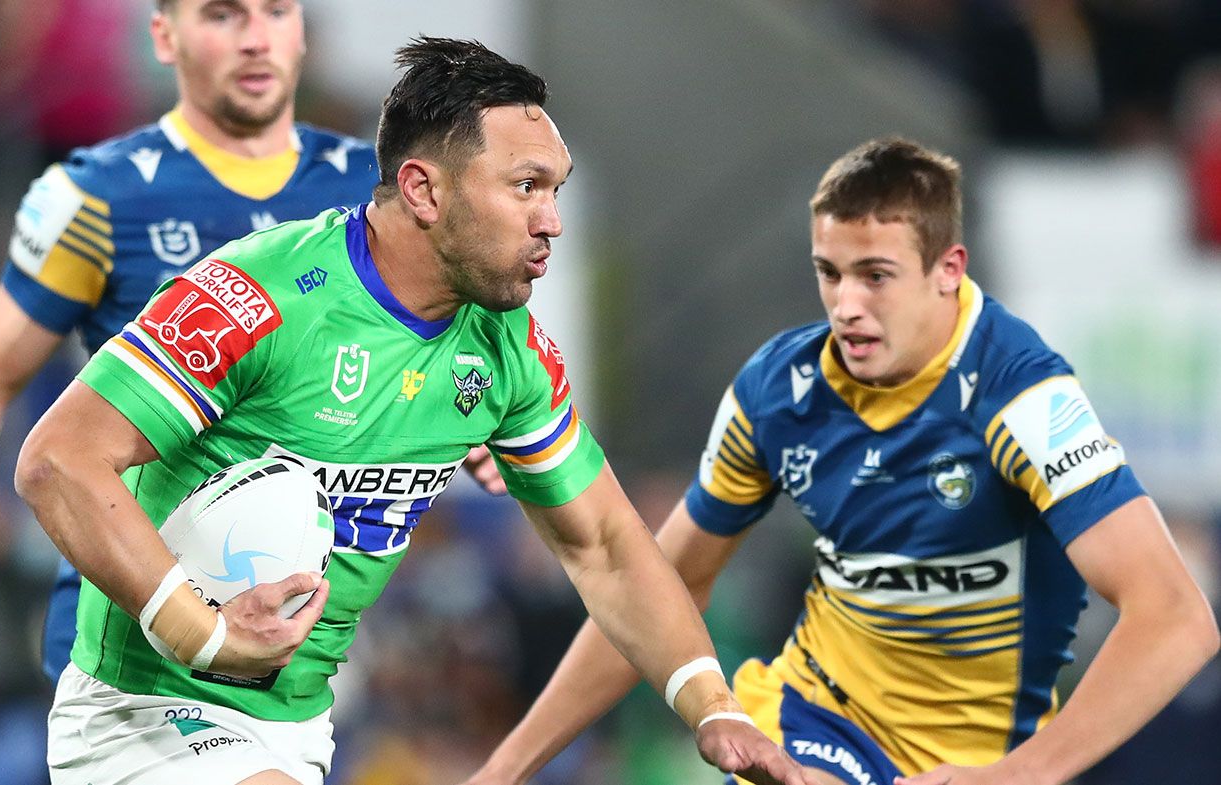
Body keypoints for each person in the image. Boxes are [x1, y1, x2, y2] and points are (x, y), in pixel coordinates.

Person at [13, 37, 813, 785]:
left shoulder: (509, 350)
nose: (552, 221)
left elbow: (605, 544)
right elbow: (58, 461)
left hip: (297, 725)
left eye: (556, 189)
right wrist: (202, 631)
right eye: (526, 186)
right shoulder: (258, 298)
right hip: (146, 710)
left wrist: (711, 706)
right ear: (425, 189)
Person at [464, 137, 1220, 785]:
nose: (846, 303)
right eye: (830, 272)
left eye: (876, 275)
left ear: (947, 269)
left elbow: (1178, 618)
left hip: (977, 760)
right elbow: (654, 586)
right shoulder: (777, 391)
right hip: (813, 719)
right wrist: (507, 769)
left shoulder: (1020, 394)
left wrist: (1025, 772)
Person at [0, 0, 501, 684]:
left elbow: (441, 351)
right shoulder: (97, 198)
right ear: (164, 36)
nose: (255, 39)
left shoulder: (384, 192)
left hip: (302, 621)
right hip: (130, 617)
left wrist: (472, 423)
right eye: (223, 15)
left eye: (275, 12)